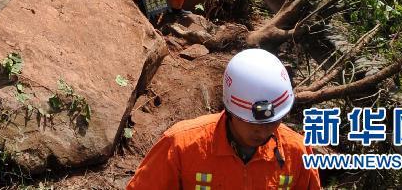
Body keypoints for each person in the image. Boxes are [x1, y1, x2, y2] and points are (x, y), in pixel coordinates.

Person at [128, 49, 321, 189]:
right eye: (252, 123)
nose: (262, 131)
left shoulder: (297, 152)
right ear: (230, 111)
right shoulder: (182, 146)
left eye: (272, 122)